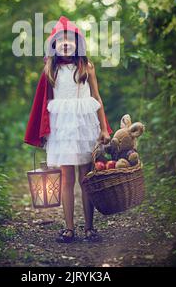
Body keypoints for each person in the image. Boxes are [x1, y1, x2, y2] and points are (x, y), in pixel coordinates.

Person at [24, 16, 113, 243]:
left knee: (86, 178)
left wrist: (104, 128)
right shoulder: (50, 70)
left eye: (70, 40)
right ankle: (69, 228)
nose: (65, 44)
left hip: (84, 127)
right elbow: (44, 104)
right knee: (66, 178)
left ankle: (89, 228)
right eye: (60, 40)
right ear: (54, 45)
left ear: (78, 44)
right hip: (62, 129)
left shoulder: (87, 67)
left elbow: (97, 97)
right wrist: (44, 132)